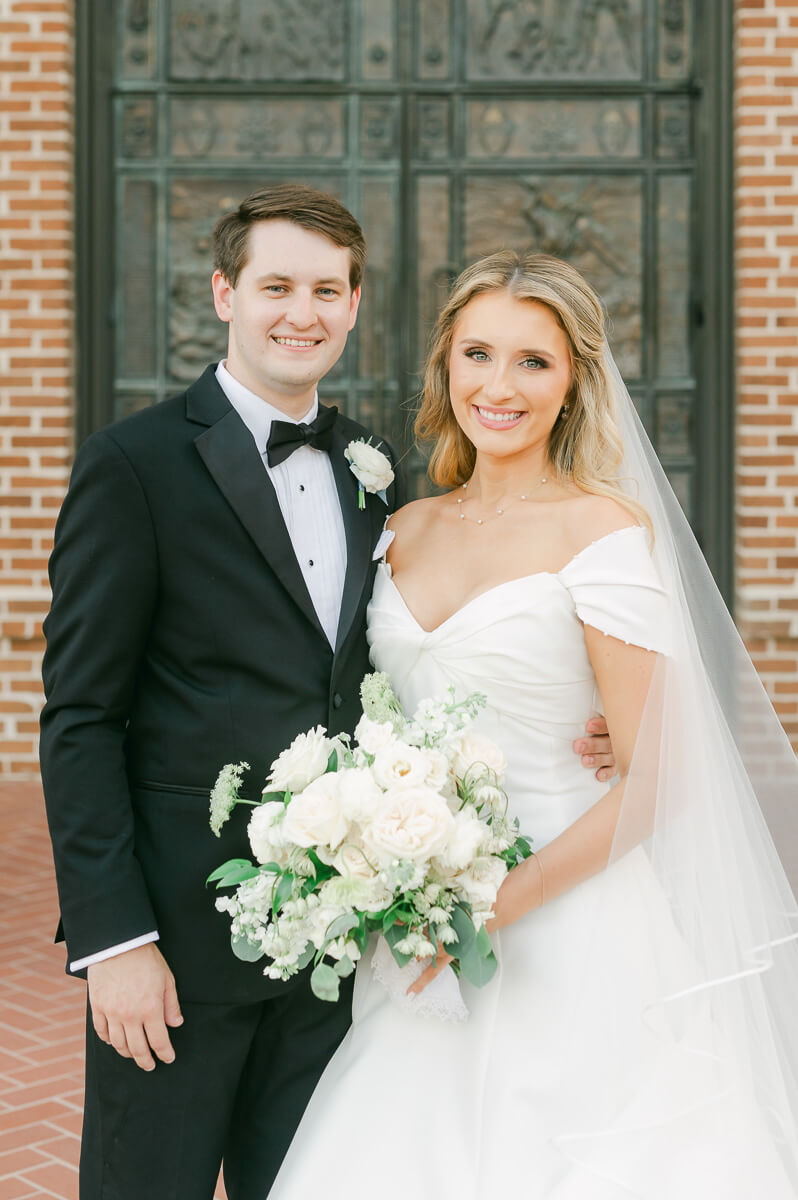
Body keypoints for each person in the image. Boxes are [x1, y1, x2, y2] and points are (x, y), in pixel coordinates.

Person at [39, 189, 615, 1200]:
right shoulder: (132, 466)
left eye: (325, 289)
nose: (300, 312)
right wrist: (114, 941)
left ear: (353, 306)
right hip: (178, 945)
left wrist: (590, 717)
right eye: (275, 286)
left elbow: (418, 662)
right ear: (224, 294)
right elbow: (82, 717)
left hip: (341, 950)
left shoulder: (384, 474)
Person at [268, 252, 798, 1199]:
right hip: (415, 919)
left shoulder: (601, 533)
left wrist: (490, 903)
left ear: (574, 382)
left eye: (532, 362)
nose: (498, 387)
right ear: (445, 365)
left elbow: (659, 777)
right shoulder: (403, 526)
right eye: (477, 353)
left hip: (571, 920)